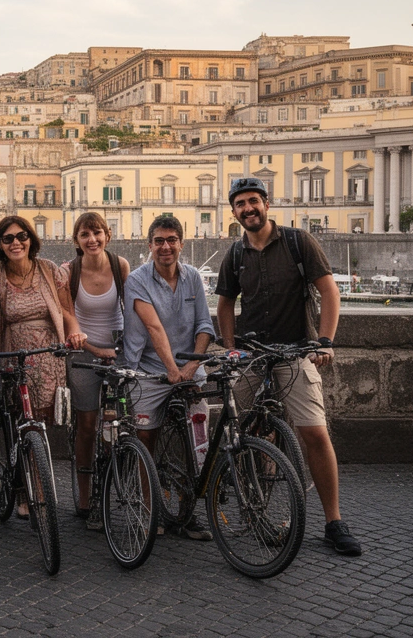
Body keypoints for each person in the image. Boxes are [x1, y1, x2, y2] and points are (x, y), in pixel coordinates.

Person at [215, 177, 361, 556]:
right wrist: (231, 348)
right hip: (251, 354)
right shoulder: (234, 254)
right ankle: (252, 502)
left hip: (296, 351)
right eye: (240, 204)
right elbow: (226, 305)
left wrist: (325, 341)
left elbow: (329, 290)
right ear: (234, 212)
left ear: (266, 204)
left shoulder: (298, 242)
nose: (248, 209)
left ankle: (334, 521)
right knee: (237, 429)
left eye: (254, 201)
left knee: (315, 433)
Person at [0, 215, 87, 518]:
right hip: (15, 359)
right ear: (0, 245)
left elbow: (67, 312)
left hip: (48, 357)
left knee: (40, 426)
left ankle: (40, 490)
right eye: (8, 239)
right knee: (18, 425)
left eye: (21, 236)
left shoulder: (49, 270)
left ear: (31, 239)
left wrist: (74, 332)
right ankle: (22, 490)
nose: (15, 242)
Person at [121, 215, 215, 541]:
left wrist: (191, 368)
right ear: (149, 246)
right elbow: (153, 327)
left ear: (181, 244)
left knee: (198, 442)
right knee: (146, 438)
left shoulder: (192, 279)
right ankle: (151, 511)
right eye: (159, 241)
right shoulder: (136, 280)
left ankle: (189, 514)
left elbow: (204, 326)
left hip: (189, 369)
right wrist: (172, 371)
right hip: (149, 369)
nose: (165, 246)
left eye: (172, 240)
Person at [58, 212, 128, 531]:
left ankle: (117, 487)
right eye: (85, 234)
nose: (92, 239)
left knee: (120, 424)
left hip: (116, 354)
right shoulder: (68, 272)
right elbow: (67, 317)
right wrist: (94, 349)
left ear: (107, 235)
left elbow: (132, 311)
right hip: (84, 354)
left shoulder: (120, 266)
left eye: (97, 232)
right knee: (86, 425)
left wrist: (126, 351)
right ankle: (85, 497)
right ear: (77, 241)